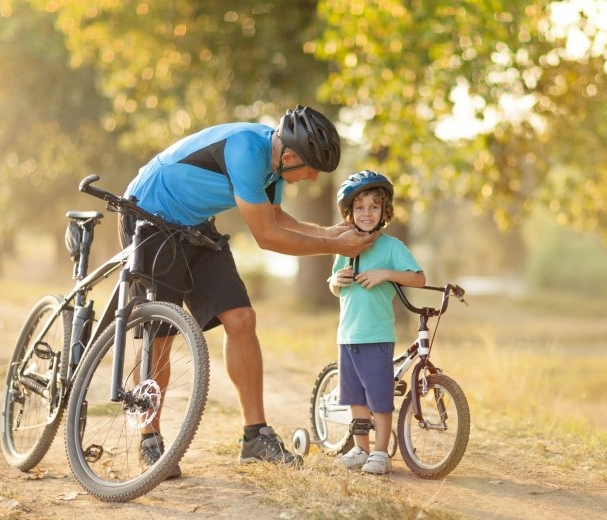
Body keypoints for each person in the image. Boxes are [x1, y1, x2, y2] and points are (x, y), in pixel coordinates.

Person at [118, 105, 377, 476]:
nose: (313, 176)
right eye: (310, 168)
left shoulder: (275, 164)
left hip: (192, 224)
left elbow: (276, 217)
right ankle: (149, 437)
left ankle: (255, 437)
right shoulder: (245, 150)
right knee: (161, 335)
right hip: (148, 216)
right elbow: (267, 237)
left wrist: (331, 233)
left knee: (241, 318)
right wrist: (337, 247)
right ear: (290, 156)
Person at [327, 170, 426, 475]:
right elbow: (333, 285)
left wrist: (385, 273)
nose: (366, 213)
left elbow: (419, 279)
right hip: (347, 335)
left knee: (379, 397)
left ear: (385, 211)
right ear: (349, 212)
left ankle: (381, 453)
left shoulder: (392, 247)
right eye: (359, 207)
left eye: (373, 206)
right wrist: (336, 279)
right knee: (355, 397)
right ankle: (361, 448)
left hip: (376, 334)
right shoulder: (346, 246)